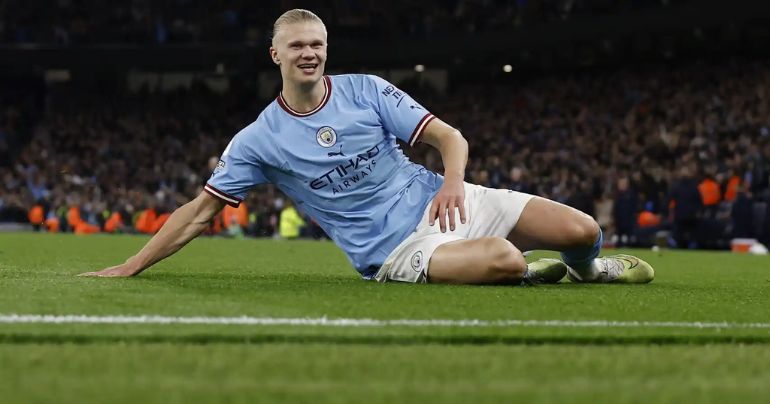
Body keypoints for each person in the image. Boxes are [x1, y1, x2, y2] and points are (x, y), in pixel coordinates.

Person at [81, 9, 654, 285]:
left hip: (449, 200)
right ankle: (523, 273)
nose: (311, 53)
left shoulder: (366, 91)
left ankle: (591, 272)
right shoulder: (259, 139)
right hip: (396, 249)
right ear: (276, 56)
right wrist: (133, 264)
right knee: (506, 260)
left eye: (318, 44)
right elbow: (199, 213)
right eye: (298, 45)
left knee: (581, 230)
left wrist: (454, 182)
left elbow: (449, 138)